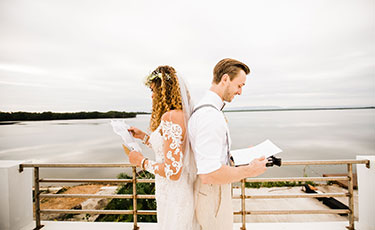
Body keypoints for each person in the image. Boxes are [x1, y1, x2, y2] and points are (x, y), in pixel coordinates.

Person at [188, 58, 268, 230]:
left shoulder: (207, 110)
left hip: (210, 193)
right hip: (213, 196)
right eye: (239, 85)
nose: (240, 92)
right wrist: (250, 170)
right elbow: (209, 174)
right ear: (225, 79)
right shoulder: (210, 116)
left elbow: (210, 155)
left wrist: (239, 158)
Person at [126, 65, 198, 230]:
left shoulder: (170, 117)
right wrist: (144, 137)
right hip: (179, 190)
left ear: (164, 91)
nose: (152, 96)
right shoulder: (184, 115)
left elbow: (173, 171)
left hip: (173, 192)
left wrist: (141, 162)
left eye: (153, 90)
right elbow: (172, 151)